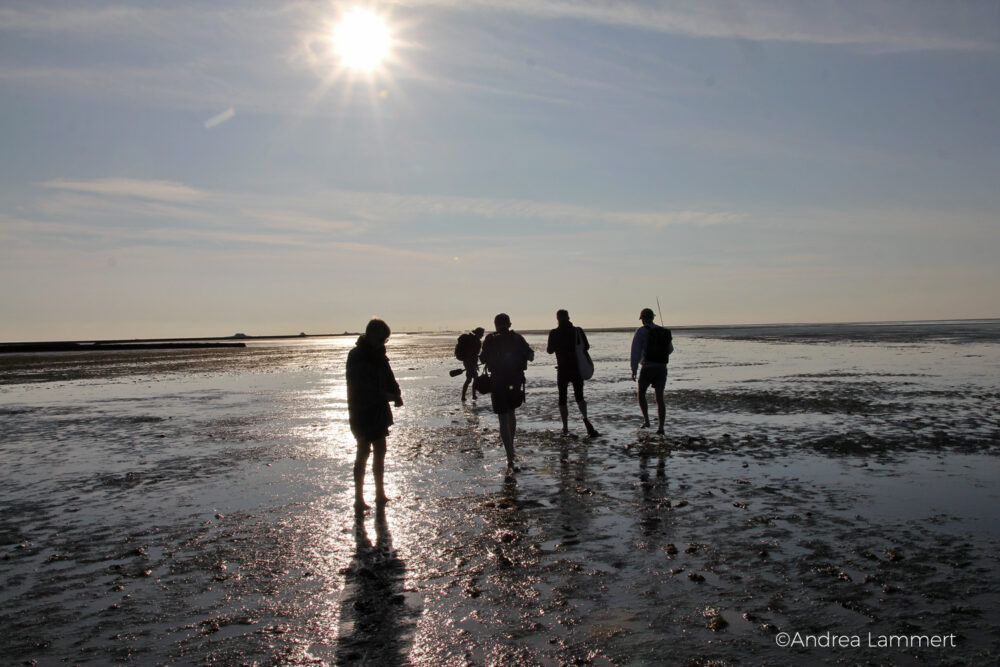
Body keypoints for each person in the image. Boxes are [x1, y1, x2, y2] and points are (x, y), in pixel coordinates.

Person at [346, 318, 403, 512]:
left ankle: (380, 493)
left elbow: (389, 377)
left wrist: (396, 393)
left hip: (379, 411)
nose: (382, 343)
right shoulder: (357, 356)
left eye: (385, 340)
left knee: (380, 452)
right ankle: (358, 498)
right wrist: (386, 396)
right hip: (361, 411)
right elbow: (361, 388)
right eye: (380, 339)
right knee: (363, 453)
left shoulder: (380, 355)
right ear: (370, 335)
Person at [480, 313, 534, 472]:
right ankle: (512, 447)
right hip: (514, 382)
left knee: (502, 419)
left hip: (497, 382)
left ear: (495, 324)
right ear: (509, 324)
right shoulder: (517, 338)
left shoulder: (490, 339)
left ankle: (509, 455)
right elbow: (530, 356)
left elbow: (482, 359)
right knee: (511, 413)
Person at [546, 309, 599, 437]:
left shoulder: (554, 333)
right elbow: (586, 346)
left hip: (562, 369)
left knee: (562, 398)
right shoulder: (577, 330)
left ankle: (565, 427)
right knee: (579, 396)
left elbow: (549, 350)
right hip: (576, 368)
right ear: (568, 317)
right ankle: (585, 419)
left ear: (557, 319)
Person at [630, 307, 673, 435]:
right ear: (653, 317)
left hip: (647, 367)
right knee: (659, 397)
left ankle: (647, 420)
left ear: (643, 319)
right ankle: (661, 427)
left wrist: (634, 369)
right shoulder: (662, 331)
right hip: (661, 367)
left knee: (641, 393)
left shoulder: (641, 331)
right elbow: (670, 350)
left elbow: (635, 352)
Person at [456, 327, 486, 402]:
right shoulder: (477, 341)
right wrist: (475, 364)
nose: (482, 335)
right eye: (482, 334)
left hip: (467, 361)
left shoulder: (471, 339)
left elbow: (473, 353)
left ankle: (471, 395)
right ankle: (467, 396)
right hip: (471, 362)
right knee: (470, 379)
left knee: (471, 379)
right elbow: (475, 353)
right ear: (478, 333)